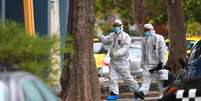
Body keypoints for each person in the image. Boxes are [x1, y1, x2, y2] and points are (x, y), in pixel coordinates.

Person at [96, 19, 139, 100]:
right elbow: (105, 41)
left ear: (121, 26)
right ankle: (114, 93)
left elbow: (126, 48)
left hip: (122, 61)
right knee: (112, 78)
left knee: (127, 78)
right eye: (114, 26)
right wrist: (100, 35)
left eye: (117, 26)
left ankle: (136, 90)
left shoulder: (126, 36)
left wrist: (118, 53)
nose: (115, 27)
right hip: (113, 61)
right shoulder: (112, 35)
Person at [135, 23, 168, 99]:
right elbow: (143, 53)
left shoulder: (159, 38)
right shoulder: (144, 40)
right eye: (144, 30)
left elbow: (163, 51)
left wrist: (162, 62)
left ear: (151, 30)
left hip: (157, 65)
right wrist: (142, 62)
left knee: (160, 82)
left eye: (147, 30)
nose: (145, 32)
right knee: (146, 80)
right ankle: (142, 93)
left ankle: (164, 95)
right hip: (148, 65)